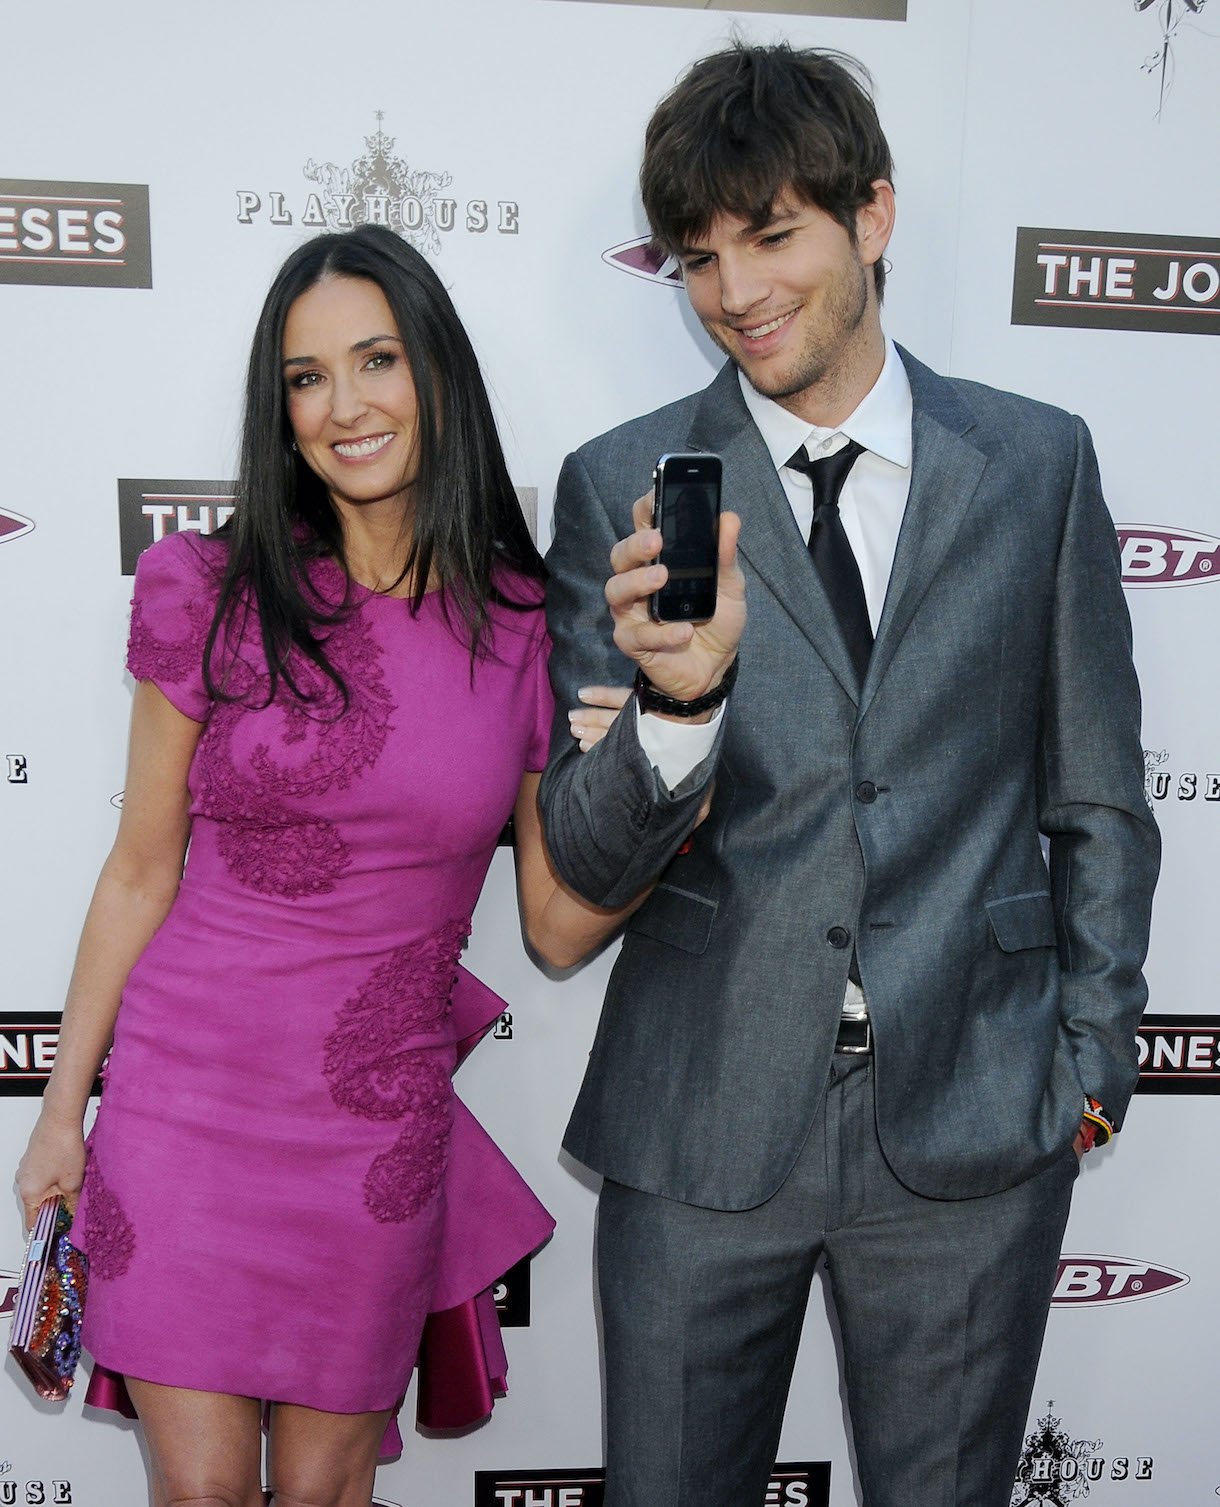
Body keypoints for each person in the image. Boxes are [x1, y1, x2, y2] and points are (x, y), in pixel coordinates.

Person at [540, 42, 1160, 1507]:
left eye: (773, 235)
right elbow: (579, 859)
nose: (737, 294)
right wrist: (679, 710)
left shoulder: (1034, 464)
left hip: (973, 1113)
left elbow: (1100, 798)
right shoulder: (620, 484)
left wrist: (1090, 1060)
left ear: (871, 214)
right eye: (699, 258)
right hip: (698, 1119)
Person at [15, 223, 631, 1507]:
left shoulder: (526, 626)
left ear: (437, 377)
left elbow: (558, 921)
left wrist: (671, 749)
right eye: (305, 378)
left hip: (370, 1137)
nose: (344, 407)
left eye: (376, 361)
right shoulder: (212, 589)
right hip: (185, 1107)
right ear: (278, 406)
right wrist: (63, 1108)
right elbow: (139, 868)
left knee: (327, 1497)